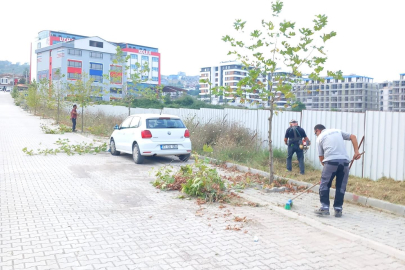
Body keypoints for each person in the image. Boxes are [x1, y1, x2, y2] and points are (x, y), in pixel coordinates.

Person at [314, 124, 362, 217]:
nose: (316, 135)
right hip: (344, 163)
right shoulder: (337, 131)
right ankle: (338, 209)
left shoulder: (319, 137)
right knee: (341, 186)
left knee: (324, 185)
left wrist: (326, 170)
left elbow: (321, 157)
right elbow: (353, 137)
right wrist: (356, 152)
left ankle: (324, 208)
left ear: (317, 131)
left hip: (330, 162)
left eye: (315, 133)